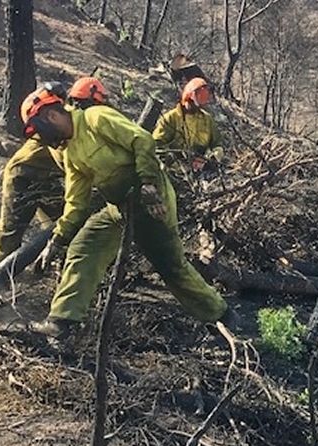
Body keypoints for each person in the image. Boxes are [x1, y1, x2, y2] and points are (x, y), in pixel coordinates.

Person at [18, 84, 239, 338]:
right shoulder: (71, 151)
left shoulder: (95, 117)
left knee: (171, 267)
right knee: (85, 247)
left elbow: (142, 139)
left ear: (51, 116)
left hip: (151, 198)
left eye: (42, 132)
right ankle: (61, 322)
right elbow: (76, 202)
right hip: (119, 207)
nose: (44, 140)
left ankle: (223, 315)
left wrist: (147, 183)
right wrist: (57, 241)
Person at [0, 82, 67, 266]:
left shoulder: (64, 120)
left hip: (48, 178)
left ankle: (57, 264)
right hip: (21, 176)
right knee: (11, 232)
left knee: (66, 223)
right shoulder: (55, 127)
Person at [152, 77, 224, 180]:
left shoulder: (207, 119)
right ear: (187, 98)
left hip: (201, 171)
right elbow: (157, 147)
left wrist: (209, 159)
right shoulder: (170, 119)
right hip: (174, 173)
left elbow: (217, 144)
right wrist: (179, 167)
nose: (197, 107)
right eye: (194, 102)